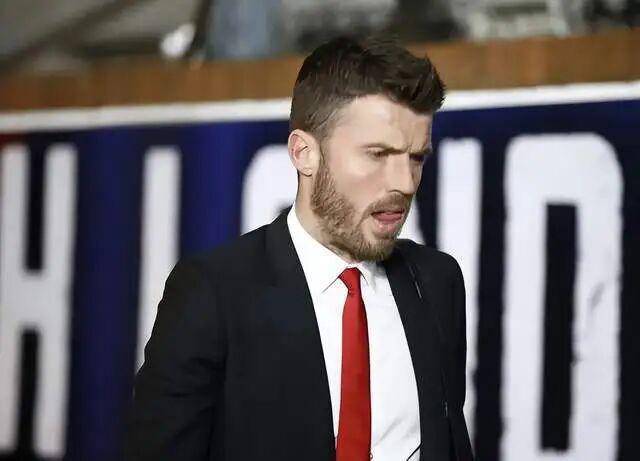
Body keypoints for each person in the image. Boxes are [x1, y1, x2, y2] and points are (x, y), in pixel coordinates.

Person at [126, 36, 473, 461]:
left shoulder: (437, 282)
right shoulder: (213, 294)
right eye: (378, 154)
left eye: (416, 158)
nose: (404, 182)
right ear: (304, 153)